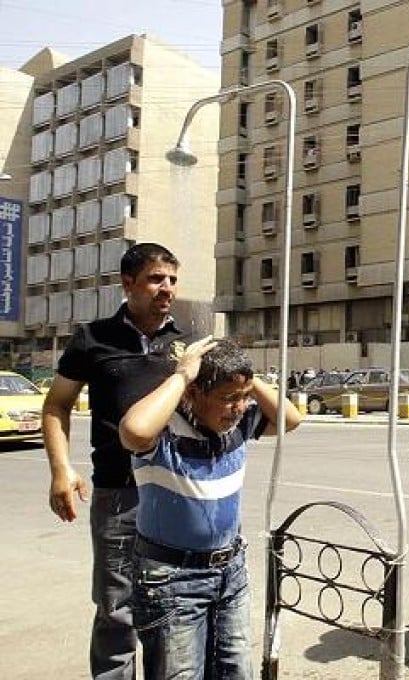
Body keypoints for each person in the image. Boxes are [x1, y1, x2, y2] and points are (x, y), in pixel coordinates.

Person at [119, 337, 302, 679]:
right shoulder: (164, 432)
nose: (239, 407)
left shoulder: (239, 425)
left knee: (236, 671)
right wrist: (182, 376)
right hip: (172, 581)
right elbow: (133, 430)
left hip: (230, 574)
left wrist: (244, 376)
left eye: (244, 398)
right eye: (228, 399)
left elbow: (291, 419)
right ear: (192, 395)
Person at [42, 243, 185, 679]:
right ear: (128, 284)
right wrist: (61, 470)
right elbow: (57, 405)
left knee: (169, 610)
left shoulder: (182, 344)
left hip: (173, 496)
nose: (167, 290)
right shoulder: (93, 338)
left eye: (173, 280)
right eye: (156, 279)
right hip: (118, 496)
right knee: (116, 612)